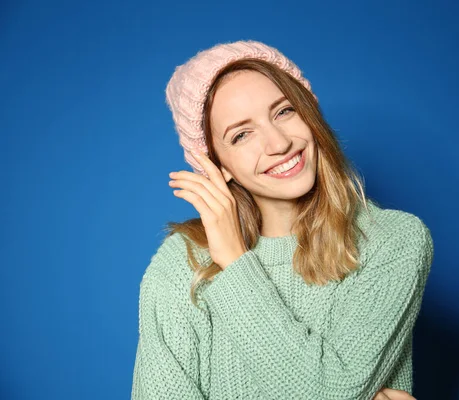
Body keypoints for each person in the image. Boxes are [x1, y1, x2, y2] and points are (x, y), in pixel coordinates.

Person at [131, 40, 434, 400]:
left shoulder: (392, 241)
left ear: (310, 113)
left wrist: (235, 263)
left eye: (284, 111)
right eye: (242, 134)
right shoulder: (184, 263)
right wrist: (230, 257)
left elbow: (327, 392)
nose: (278, 143)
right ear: (216, 164)